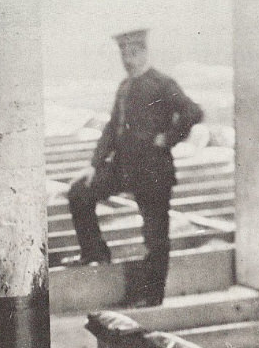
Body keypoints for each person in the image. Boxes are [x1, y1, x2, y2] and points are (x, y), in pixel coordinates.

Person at [65, 27, 203, 307]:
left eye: (133, 52)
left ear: (143, 52)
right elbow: (111, 128)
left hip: (153, 170)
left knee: (155, 235)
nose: (127, 58)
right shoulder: (125, 87)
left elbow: (193, 112)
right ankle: (95, 253)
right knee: (79, 193)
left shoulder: (162, 83)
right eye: (123, 53)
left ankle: (151, 296)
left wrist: (168, 138)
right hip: (123, 167)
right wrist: (93, 165)